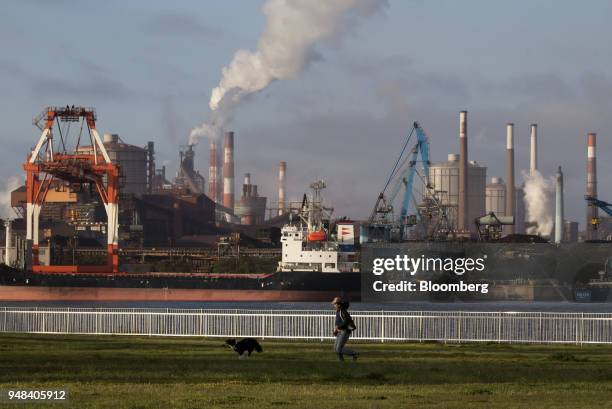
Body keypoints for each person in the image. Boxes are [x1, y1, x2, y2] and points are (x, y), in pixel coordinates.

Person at [331, 296, 358, 361]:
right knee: (335, 348)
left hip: (344, 331)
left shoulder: (343, 311)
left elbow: (346, 321)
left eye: (334, 304)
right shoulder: (338, 311)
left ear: (338, 304)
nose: (334, 305)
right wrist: (336, 330)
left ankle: (354, 353)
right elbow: (338, 323)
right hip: (340, 331)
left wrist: (339, 327)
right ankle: (341, 361)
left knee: (338, 349)